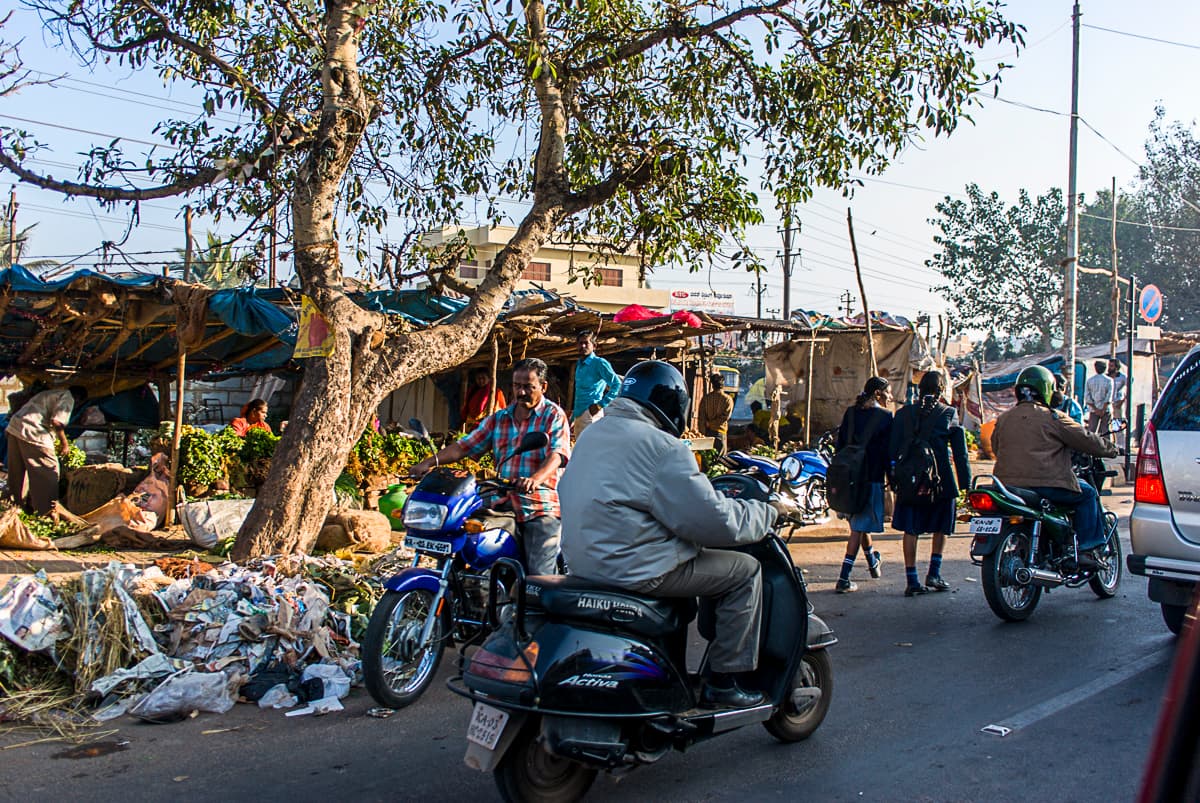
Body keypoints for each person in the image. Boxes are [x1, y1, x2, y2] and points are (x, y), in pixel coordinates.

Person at [559, 360, 779, 709]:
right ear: (672, 404)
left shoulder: (592, 434)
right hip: (634, 569)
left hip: (583, 565)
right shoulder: (663, 447)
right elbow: (713, 522)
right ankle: (723, 681)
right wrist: (768, 513)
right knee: (744, 571)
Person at [410, 358, 570, 576]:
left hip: (537, 505)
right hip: (498, 500)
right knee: (455, 539)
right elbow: (464, 446)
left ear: (542, 387)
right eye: (517, 386)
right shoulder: (500, 418)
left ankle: (534, 606)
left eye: (528, 387)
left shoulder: (553, 415)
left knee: (538, 576)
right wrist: (428, 463)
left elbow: (557, 455)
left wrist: (535, 479)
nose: (521, 392)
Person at [992, 365, 1119, 565]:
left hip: (1007, 485)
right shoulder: (1053, 417)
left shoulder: (1003, 418)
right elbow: (1087, 440)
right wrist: (1112, 449)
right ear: (1047, 390)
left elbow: (996, 447)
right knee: (1087, 495)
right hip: (1048, 485)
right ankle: (1087, 549)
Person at [889, 371, 971, 596]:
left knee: (911, 529)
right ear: (941, 390)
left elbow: (892, 450)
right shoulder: (949, 413)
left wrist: (893, 479)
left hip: (910, 482)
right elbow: (961, 455)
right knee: (941, 527)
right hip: (940, 482)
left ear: (920, 389)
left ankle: (912, 580)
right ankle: (934, 574)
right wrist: (966, 486)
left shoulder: (903, 414)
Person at [833, 377, 892, 593]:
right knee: (858, 527)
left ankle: (873, 563)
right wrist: (892, 480)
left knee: (859, 522)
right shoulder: (885, 417)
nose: (890, 397)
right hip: (871, 478)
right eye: (888, 392)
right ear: (878, 393)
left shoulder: (850, 412)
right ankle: (843, 578)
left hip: (847, 478)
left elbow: (839, 445)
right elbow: (888, 453)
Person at [6, 385, 87, 515]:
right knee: (49, 471)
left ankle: (16, 510)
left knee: (18, 472)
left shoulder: (48, 393)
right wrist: (64, 444)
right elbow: (57, 421)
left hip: (15, 428)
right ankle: (46, 512)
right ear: (78, 399)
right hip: (33, 431)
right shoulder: (67, 397)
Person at [571, 329, 621, 438]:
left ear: (594, 346)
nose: (583, 346)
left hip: (592, 413)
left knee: (591, 449)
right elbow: (580, 393)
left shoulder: (599, 363)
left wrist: (600, 405)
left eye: (586, 343)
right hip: (580, 413)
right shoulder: (579, 364)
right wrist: (573, 417)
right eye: (580, 343)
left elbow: (617, 385)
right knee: (581, 450)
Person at [697, 372, 734, 453]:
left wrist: (703, 433)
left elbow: (701, 417)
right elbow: (725, 417)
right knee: (720, 461)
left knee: (707, 460)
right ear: (723, 384)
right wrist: (712, 424)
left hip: (707, 433)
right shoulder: (727, 399)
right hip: (720, 433)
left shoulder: (706, 399)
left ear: (712, 385)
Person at [1084, 360, 1114, 435]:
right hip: (1106, 410)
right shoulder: (1109, 380)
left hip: (1093, 410)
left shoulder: (1090, 380)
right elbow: (1109, 397)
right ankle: (1105, 446)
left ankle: (1090, 446)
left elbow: (1087, 397)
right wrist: (1103, 409)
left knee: (1091, 432)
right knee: (1106, 432)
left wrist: (1096, 409)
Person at [1107, 358, 1127, 430]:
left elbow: (1129, 389)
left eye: (1111, 366)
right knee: (1107, 426)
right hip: (1107, 404)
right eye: (1109, 366)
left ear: (1116, 367)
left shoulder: (1122, 377)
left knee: (1117, 427)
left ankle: (1119, 441)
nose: (1109, 368)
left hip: (1118, 403)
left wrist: (1122, 401)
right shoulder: (1106, 377)